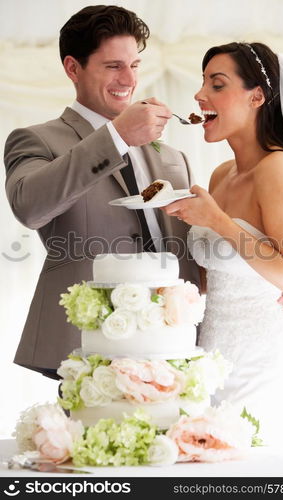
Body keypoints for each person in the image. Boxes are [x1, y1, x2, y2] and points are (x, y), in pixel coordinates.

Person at [3, 5, 200, 380]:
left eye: (135, 65)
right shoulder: (36, 140)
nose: (128, 79)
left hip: (170, 342)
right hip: (83, 342)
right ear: (73, 68)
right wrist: (116, 137)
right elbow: (29, 207)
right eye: (113, 66)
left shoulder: (174, 157)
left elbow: (187, 253)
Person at [162, 42, 283, 451]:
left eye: (216, 84)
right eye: (201, 83)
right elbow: (216, 279)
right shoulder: (220, 174)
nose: (199, 96)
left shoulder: (280, 168)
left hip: (264, 363)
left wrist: (216, 220)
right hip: (209, 358)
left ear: (257, 96)